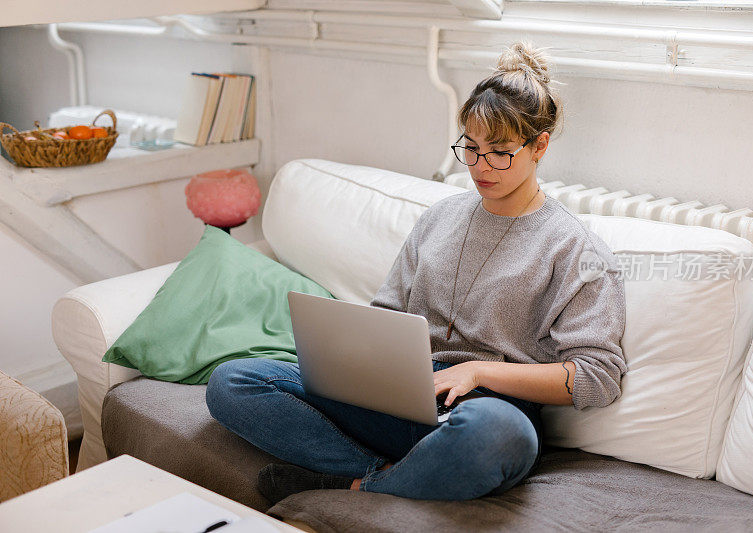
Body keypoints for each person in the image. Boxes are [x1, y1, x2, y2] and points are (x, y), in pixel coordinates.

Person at [204, 40, 627, 505]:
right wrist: (353, 357)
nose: (480, 166)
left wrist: (478, 372)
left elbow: (596, 377)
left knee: (502, 436)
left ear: (539, 146)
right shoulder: (439, 218)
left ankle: (354, 488)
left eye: (500, 151)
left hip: (484, 412)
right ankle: (378, 479)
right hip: (398, 397)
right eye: (470, 146)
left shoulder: (576, 249)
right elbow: (387, 313)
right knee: (233, 381)